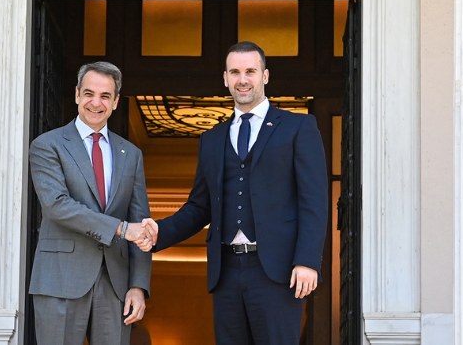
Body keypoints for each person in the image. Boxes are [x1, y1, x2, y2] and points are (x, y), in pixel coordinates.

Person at [141, 41, 329, 344]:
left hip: (278, 271)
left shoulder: (298, 127)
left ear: (265, 76)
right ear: (225, 78)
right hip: (226, 272)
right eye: (235, 72)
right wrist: (159, 232)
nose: (243, 79)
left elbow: (314, 200)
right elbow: (199, 207)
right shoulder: (212, 138)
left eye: (250, 71)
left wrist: (307, 260)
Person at [28, 61, 153, 345]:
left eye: (105, 96)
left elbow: (141, 223)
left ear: (116, 102)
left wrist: (138, 286)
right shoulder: (47, 145)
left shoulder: (131, 154)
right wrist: (121, 229)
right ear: (77, 95)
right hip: (60, 279)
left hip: (115, 285)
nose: (96, 103)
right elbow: (57, 205)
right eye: (89, 94)